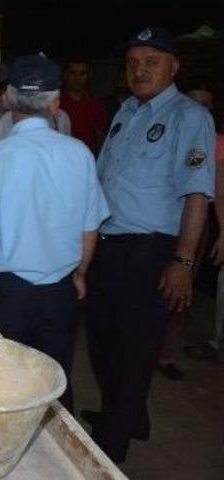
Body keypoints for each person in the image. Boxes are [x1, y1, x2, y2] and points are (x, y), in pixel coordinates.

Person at [84, 27, 215, 463]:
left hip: (150, 249)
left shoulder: (189, 116)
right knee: (102, 340)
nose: (139, 71)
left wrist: (183, 259)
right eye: (133, 63)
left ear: (173, 67)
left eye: (151, 62)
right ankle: (129, 416)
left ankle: (111, 444)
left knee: (135, 348)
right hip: (108, 245)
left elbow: (198, 193)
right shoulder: (125, 111)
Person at [0, 54, 110, 414]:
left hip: (6, 292)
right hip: (59, 292)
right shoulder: (80, 154)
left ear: (7, 99)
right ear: (56, 103)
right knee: (53, 379)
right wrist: (80, 274)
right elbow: (90, 227)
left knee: (0, 380)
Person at [184, 84, 224, 364]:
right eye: (195, 102)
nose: (201, 109)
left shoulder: (215, 141)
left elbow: (217, 191)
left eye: (206, 104)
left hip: (197, 220)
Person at [60, 56, 109, 155]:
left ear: (89, 75)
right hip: (62, 160)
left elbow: (101, 137)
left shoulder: (96, 103)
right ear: (65, 75)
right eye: (73, 72)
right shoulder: (56, 103)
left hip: (88, 161)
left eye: (82, 73)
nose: (77, 78)